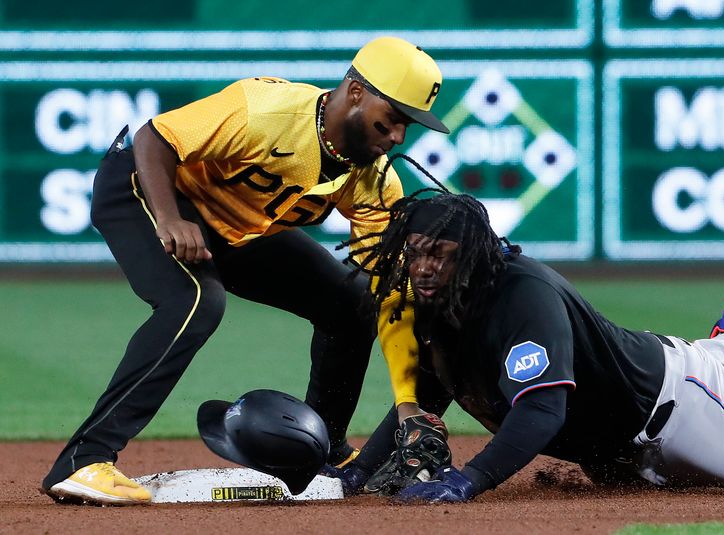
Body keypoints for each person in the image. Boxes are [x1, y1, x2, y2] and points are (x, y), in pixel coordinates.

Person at [41, 36, 450, 506]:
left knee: (354, 300)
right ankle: (83, 460)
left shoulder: (375, 179)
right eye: (393, 117)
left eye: (407, 125)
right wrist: (171, 219)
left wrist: (407, 403)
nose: (397, 136)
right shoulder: (267, 111)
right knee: (195, 301)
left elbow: (388, 296)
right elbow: (153, 137)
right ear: (356, 92)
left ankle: (320, 449)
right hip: (145, 187)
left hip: (237, 229)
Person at [332, 190, 724, 501]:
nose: (423, 267)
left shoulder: (523, 295)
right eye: (415, 252)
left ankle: (722, 354)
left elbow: (541, 410)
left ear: (473, 252)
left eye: (439, 253)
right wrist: (356, 472)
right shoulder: (438, 304)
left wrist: (468, 480)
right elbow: (428, 393)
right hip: (617, 457)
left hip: (685, 412)